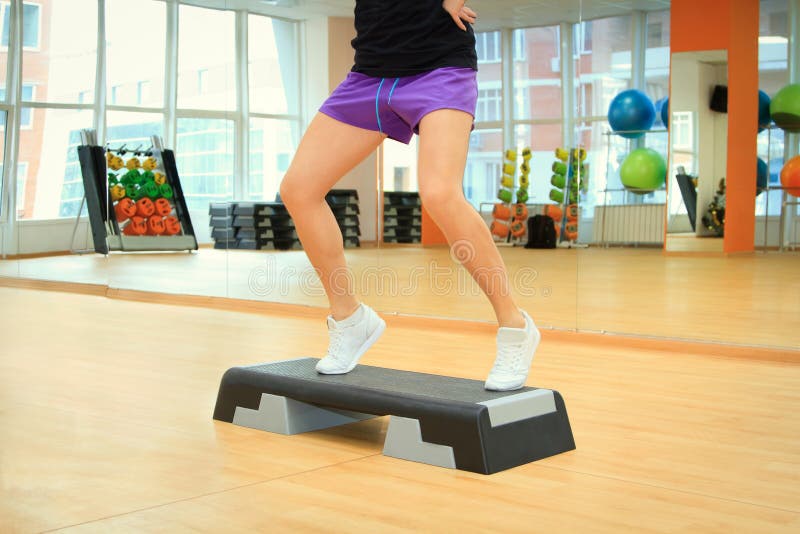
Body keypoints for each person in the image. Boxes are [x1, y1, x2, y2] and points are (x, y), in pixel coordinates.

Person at [279, 0, 540, 391]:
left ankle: (515, 325)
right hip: (370, 72)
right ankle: (350, 319)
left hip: (439, 66)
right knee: (298, 190)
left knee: (439, 193)